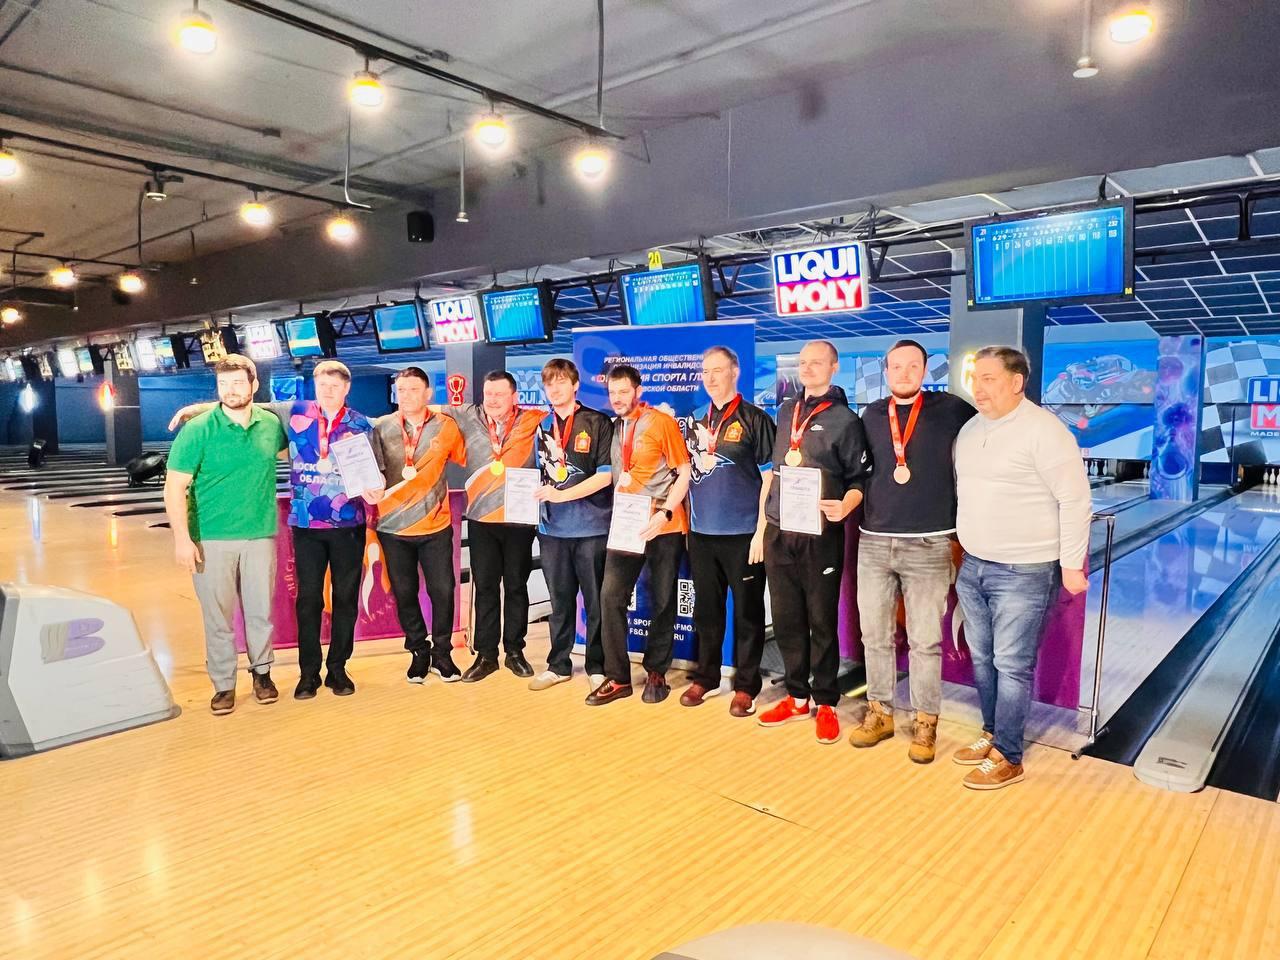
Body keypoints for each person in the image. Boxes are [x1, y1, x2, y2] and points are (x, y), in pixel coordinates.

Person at [169, 359, 384, 700]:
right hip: (302, 525)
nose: (328, 391)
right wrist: (196, 409)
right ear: (314, 386)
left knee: (341, 600)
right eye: (322, 385)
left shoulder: (360, 424)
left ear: (347, 388)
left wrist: (376, 488)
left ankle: (333, 670)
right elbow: (241, 402)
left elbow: (376, 469)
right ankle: (304, 674)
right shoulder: (295, 412)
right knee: (306, 601)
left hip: (345, 524)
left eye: (335, 386)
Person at [952, 346, 1091, 790]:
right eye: (976, 378)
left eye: (989, 378)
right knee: (982, 658)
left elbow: (1075, 500)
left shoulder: (1045, 431)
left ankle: (1009, 756)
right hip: (974, 565)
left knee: (1011, 664)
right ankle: (993, 732)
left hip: (1025, 569)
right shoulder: (970, 430)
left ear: (1016, 382)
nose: (978, 387)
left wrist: (1071, 565)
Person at [847, 340, 975, 763]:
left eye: (912, 366)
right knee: (874, 636)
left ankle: (925, 721)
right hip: (873, 541)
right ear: (886, 371)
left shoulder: (952, 410)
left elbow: (989, 438)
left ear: (925, 369)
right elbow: (858, 469)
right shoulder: (871, 414)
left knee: (925, 641)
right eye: (896, 366)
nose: (903, 373)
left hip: (929, 542)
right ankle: (880, 712)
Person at [757, 340, 871, 744]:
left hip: (820, 533)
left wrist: (846, 505)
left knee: (821, 620)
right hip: (780, 530)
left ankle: (825, 702)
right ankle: (797, 697)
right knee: (787, 618)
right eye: (803, 362)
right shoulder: (786, 411)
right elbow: (775, 471)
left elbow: (859, 480)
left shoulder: (846, 420)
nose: (808, 368)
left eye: (817, 362)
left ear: (834, 367)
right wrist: (763, 526)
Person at [163, 354, 287, 715]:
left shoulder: (270, 425)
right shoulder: (198, 429)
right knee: (217, 617)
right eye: (223, 384)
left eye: (237, 383)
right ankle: (223, 684)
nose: (230, 391)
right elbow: (174, 487)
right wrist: (182, 539)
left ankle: (262, 674)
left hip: (260, 535)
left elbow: (299, 452)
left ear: (254, 385)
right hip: (210, 538)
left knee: (261, 612)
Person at [587, 364, 692, 706]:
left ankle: (657, 671)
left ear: (638, 391)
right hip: (627, 525)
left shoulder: (661, 423)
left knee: (663, 600)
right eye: (612, 392)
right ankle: (618, 677)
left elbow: (684, 472)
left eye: (623, 391)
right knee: (610, 597)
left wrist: (665, 513)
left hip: (663, 525)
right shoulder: (615, 427)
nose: (617, 398)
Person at [680, 346, 775, 718]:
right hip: (702, 533)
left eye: (717, 370)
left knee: (748, 614)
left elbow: (770, 480)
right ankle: (706, 677)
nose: (710, 378)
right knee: (707, 611)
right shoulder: (694, 420)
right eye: (705, 371)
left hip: (743, 535)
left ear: (735, 372)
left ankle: (746, 685)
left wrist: (761, 531)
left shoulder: (755, 419)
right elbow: (687, 474)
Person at [436, 371, 546, 683]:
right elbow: (424, 409)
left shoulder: (534, 419)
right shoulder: (469, 415)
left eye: (500, 394)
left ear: (515, 397)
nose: (493, 400)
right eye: (488, 394)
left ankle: (515, 651)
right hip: (481, 519)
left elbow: (567, 418)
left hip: (518, 519)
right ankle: (486, 655)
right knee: (485, 587)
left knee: (516, 586)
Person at [370, 367, 468, 683]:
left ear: (428, 393)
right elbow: (371, 473)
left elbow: (468, 457)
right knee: (405, 593)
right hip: (393, 527)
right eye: (401, 390)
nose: (407, 396)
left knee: (443, 591)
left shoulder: (446, 426)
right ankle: (418, 650)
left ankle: (442, 653)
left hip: (435, 524)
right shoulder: (382, 427)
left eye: (413, 389)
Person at [529, 358, 614, 691]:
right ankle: (559, 665)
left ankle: (597, 665)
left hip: (592, 528)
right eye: (549, 383)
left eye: (561, 381)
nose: (555, 388)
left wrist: (561, 495)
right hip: (552, 530)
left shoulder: (597, 422)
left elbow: (605, 476)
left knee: (595, 602)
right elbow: (538, 474)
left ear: (576, 385)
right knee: (560, 601)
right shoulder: (542, 426)